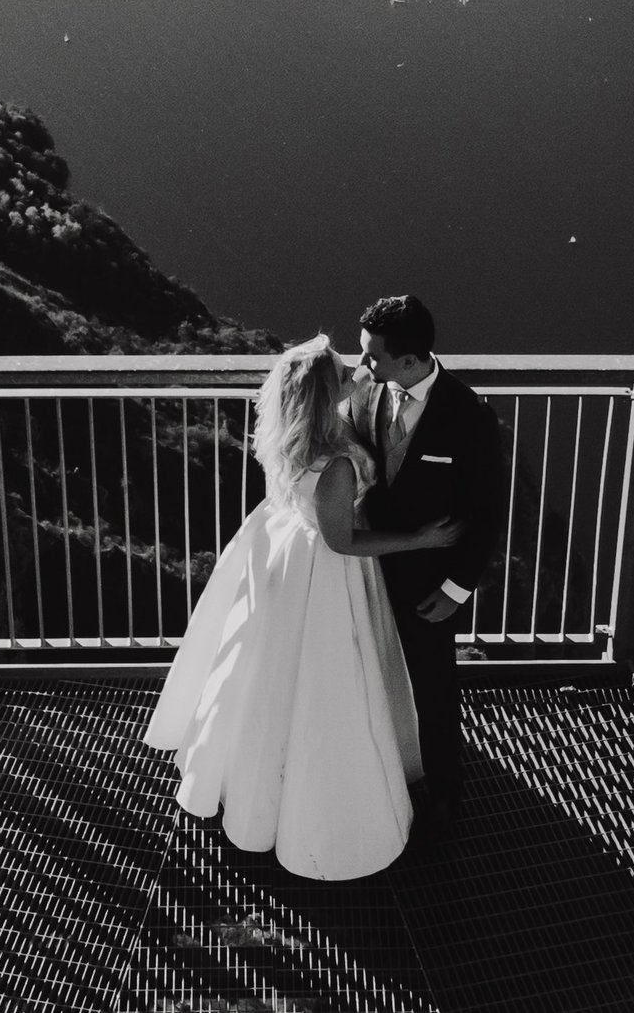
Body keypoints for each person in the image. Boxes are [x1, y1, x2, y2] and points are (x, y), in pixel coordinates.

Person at [143, 335, 462, 879]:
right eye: (343, 370)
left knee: (268, 675)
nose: (355, 370)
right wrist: (421, 542)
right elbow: (341, 542)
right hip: (327, 568)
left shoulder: (294, 435)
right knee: (329, 681)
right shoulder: (335, 464)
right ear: (324, 395)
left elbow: (353, 382)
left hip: (286, 552)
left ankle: (258, 786)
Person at [347, 293, 503, 836]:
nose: (361, 365)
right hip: (364, 568)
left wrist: (458, 589)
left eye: (372, 356)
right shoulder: (365, 392)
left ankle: (443, 795)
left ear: (410, 361)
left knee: (434, 686)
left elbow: (488, 513)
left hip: (427, 583)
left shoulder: (470, 417)